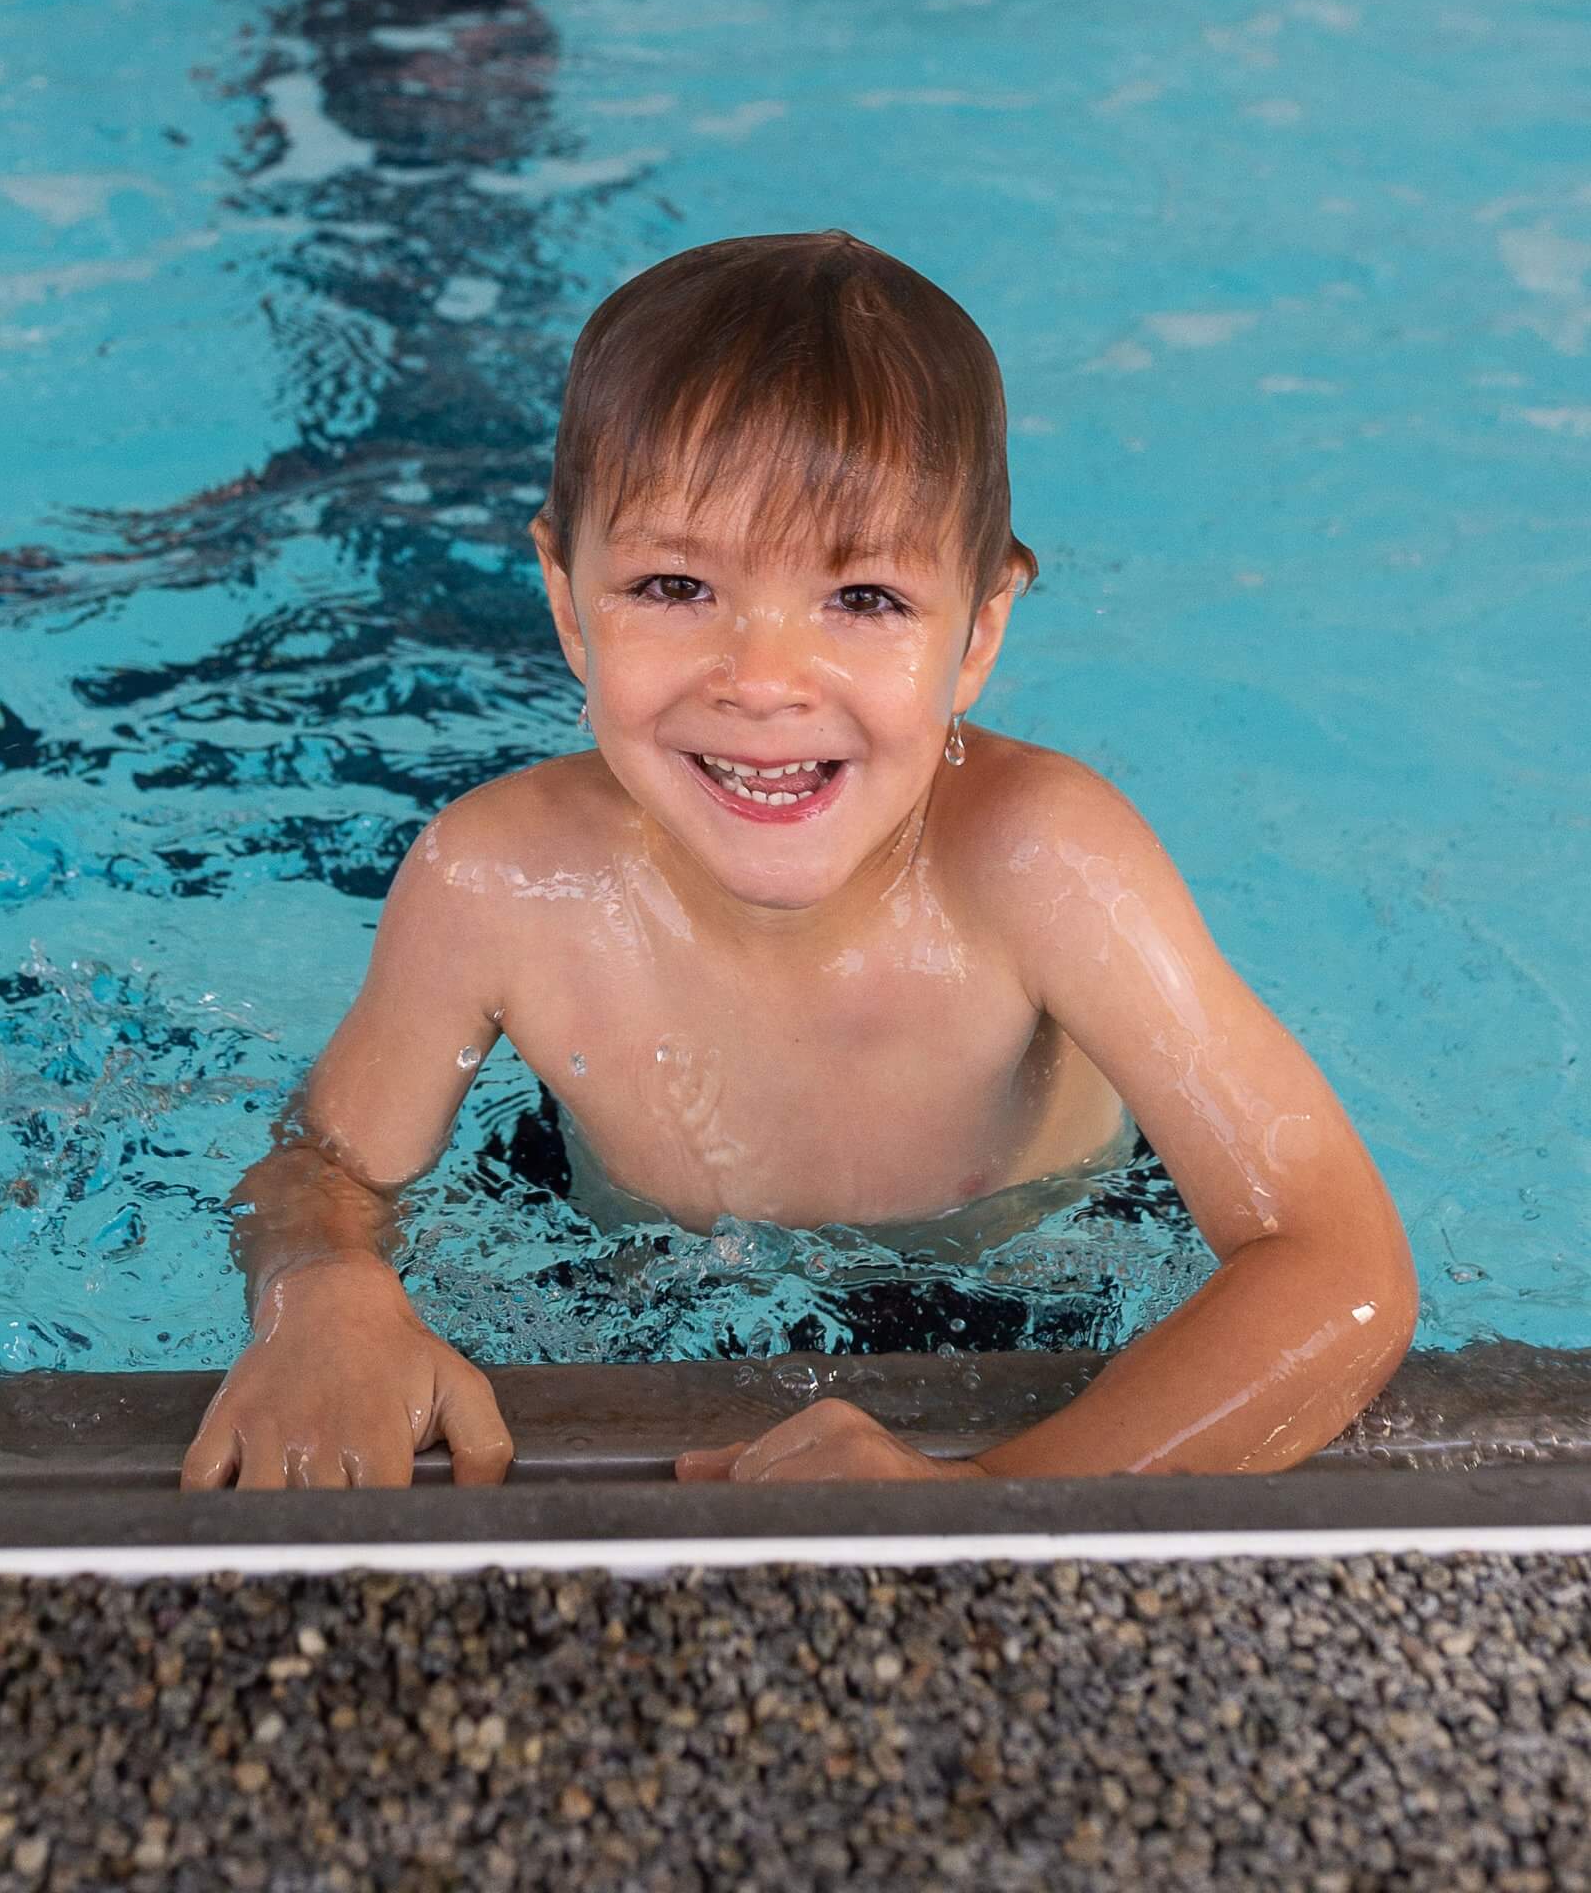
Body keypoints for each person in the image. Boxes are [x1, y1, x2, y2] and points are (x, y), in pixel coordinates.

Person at [180, 230, 1416, 1492]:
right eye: (673, 584)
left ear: (982, 626)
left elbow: (1334, 1265)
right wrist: (321, 1289)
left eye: (865, 598)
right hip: (635, 1277)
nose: (762, 683)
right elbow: (324, 1168)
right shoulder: (499, 879)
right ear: (563, 598)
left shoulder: (1046, 864)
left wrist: (984, 1505)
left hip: (1050, 1273)